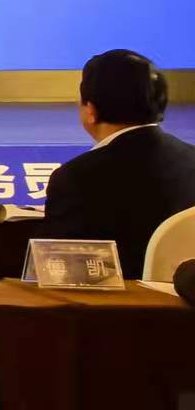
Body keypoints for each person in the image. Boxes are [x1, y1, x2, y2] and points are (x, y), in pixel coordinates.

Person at [42, 50, 195, 277]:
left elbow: (59, 269)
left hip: (116, 299)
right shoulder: (191, 159)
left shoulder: (77, 178)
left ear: (91, 111)